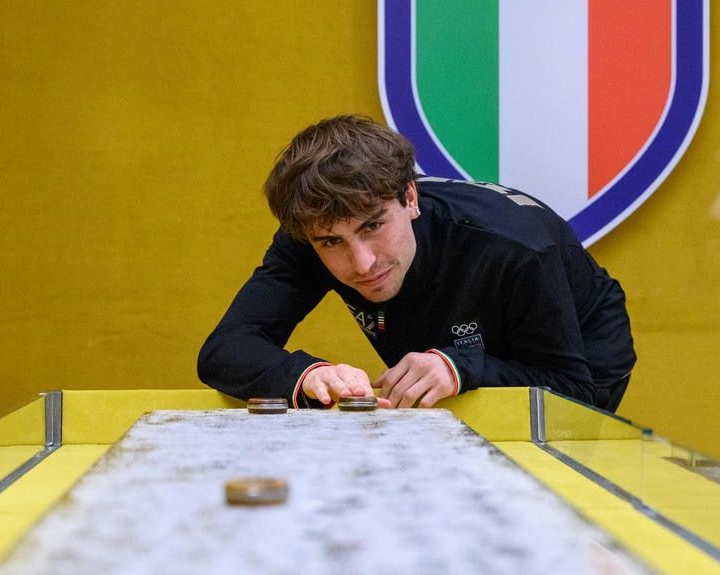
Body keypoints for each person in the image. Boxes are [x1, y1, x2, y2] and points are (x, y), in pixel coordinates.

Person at [197, 114, 635, 412]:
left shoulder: (517, 247)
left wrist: (460, 366)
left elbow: (574, 390)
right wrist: (307, 375)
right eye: (332, 242)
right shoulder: (310, 231)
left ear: (410, 197)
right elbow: (224, 350)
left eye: (372, 226)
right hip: (447, 345)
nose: (362, 263)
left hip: (582, 361)